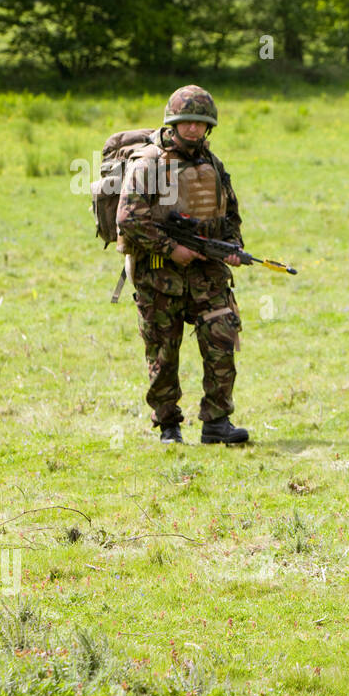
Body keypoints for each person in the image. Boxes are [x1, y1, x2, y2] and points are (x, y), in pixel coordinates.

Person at [116, 85, 248, 445]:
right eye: (186, 123)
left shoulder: (213, 164)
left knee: (222, 341)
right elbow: (128, 219)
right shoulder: (148, 164)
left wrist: (232, 248)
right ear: (173, 124)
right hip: (160, 276)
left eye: (200, 124)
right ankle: (168, 425)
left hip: (208, 274)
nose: (193, 130)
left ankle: (217, 423)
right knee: (163, 353)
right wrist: (171, 248)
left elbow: (230, 213)